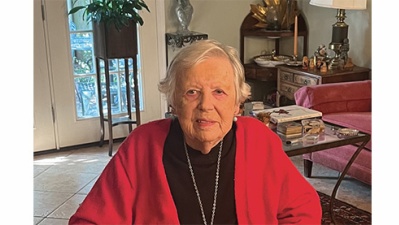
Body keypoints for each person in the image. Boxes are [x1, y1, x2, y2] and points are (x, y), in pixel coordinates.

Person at [69, 39, 322, 224]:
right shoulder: (142, 146)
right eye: (192, 92)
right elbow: (89, 221)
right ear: (174, 102)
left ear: (238, 103)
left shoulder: (258, 141)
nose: (205, 105)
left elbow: (303, 210)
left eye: (219, 92)